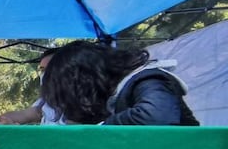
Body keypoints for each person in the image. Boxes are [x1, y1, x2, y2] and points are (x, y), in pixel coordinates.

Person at [39, 40, 199, 125]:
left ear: (85, 80)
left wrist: (99, 129)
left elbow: (155, 116)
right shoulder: (111, 96)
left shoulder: (148, 79)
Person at [0, 48, 63, 125]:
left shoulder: (76, 106)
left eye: (50, 69)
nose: (45, 74)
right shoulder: (44, 103)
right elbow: (22, 115)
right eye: (42, 70)